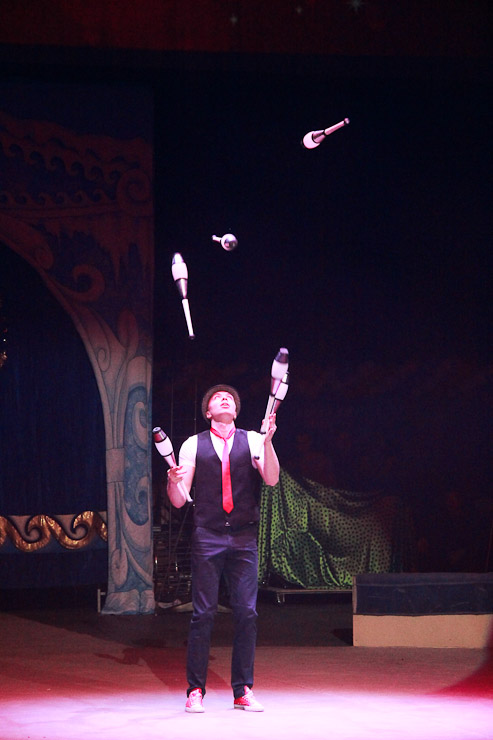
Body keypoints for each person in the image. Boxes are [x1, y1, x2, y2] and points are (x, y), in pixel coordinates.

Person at [166, 384, 280, 713]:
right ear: (208, 412)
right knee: (203, 614)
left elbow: (272, 479)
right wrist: (173, 482)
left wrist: (268, 441)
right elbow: (180, 500)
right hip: (208, 535)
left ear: (236, 410)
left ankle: (243, 689)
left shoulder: (253, 440)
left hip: (244, 537)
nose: (225, 398)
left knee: (247, 613)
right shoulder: (193, 445)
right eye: (217, 398)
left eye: (229, 397)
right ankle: (195, 690)